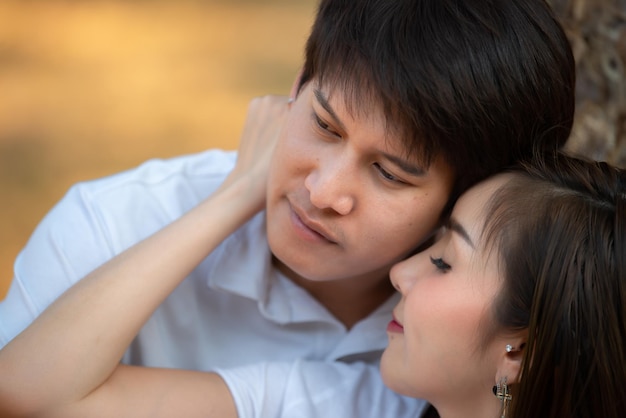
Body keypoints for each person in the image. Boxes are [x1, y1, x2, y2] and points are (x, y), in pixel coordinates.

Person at [0, 0, 574, 407]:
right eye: (323, 125)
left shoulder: (464, 335)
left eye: (388, 174)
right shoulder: (114, 224)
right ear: (297, 85)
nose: (322, 193)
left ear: (467, 197)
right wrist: (235, 197)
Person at [1, 151, 623, 418]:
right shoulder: (347, 404)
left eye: (442, 262)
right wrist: (241, 193)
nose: (401, 272)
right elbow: (36, 395)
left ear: (519, 349)